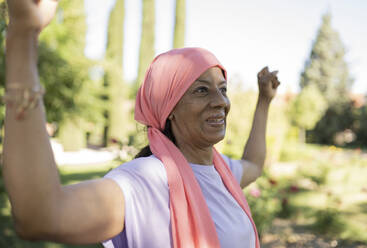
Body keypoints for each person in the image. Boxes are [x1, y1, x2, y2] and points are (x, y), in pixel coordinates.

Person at [2, 1, 280, 248]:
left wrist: (264, 101)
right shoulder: (144, 182)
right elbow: (41, 216)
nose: (221, 102)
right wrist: (23, 35)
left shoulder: (222, 171)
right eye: (201, 90)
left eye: (223, 89)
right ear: (169, 107)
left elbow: (253, 164)